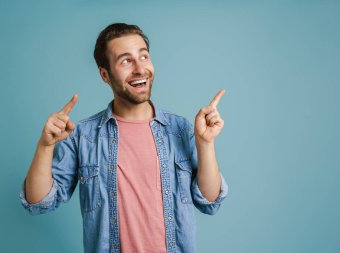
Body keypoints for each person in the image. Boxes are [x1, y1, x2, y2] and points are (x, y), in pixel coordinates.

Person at [20, 23, 229, 253]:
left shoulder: (180, 129)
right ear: (105, 75)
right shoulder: (83, 136)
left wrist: (206, 144)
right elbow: (38, 202)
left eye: (144, 56)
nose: (140, 68)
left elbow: (210, 201)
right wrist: (44, 146)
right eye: (126, 61)